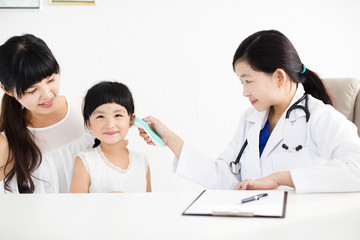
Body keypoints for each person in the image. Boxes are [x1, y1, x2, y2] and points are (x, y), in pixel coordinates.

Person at [139, 30, 360, 193]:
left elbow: (356, 169)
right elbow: (224, 177)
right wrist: (170, 140)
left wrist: (281, 178)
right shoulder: (251, 120)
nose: (244, 92)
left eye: (249, 81)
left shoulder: (320, 117)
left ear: (279, 77)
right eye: (241, 82)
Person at [0, 34, 93, 193]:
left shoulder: (90, 109)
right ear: (7, 90)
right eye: (32, 90)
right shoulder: (6, 143)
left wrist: (149, 129)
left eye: (51, 80)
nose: (47, 95)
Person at [70, 81, 151, 193]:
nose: (110, 124)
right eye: (100, 116)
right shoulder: (85, 161)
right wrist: (105, 202)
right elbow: (75, 207)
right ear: (89, 124)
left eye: (118, 115)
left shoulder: (142, 162)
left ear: (131, 120)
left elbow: (148, 205)